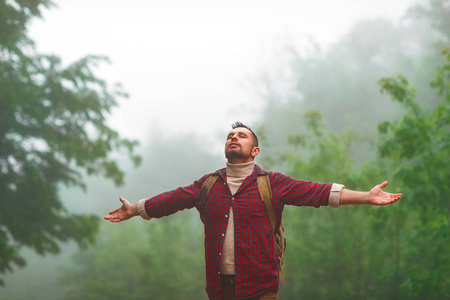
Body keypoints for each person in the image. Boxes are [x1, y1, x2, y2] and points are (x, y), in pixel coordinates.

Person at [104, 122, 402, 300]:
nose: (234, 138)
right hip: (219, 291)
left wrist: (366, 196)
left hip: (261, 290)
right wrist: (136, 209)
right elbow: (172, 199)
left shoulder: (272, 184)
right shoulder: (207, 185)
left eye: (242, 136)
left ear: (255, 150)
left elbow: (319, 193)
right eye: (230, 136)